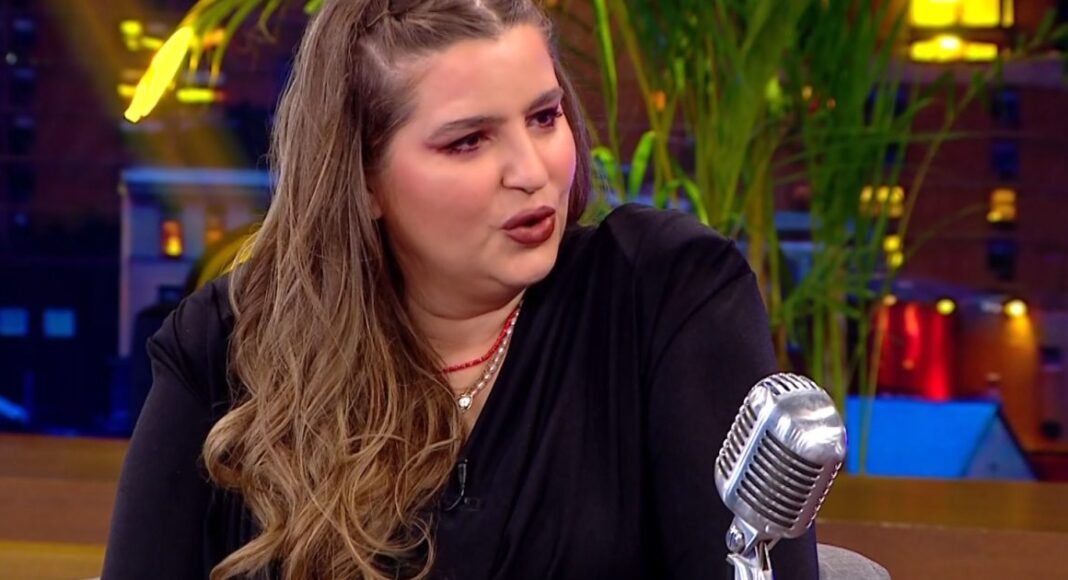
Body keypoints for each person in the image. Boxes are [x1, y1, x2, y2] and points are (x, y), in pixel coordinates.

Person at [102, 0, 819, 578]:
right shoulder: (228, 344)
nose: (532, 171)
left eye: (544, 117)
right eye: (469, 141)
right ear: (363, 179)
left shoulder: (667, 297)